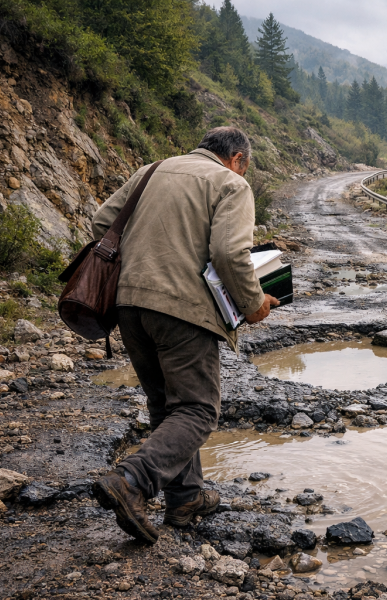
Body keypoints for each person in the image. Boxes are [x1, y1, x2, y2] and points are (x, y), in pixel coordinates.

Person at [90, 127, 279, 543]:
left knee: (165, 405)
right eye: (244, 165)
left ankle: (185, 499)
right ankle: (132, 481)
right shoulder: (232, 183)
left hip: (129, 304)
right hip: (181, 309)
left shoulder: (150, 170)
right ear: (239, 159)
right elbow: (230, 253)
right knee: (197, 409)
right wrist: (253, 306)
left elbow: (102, 222)